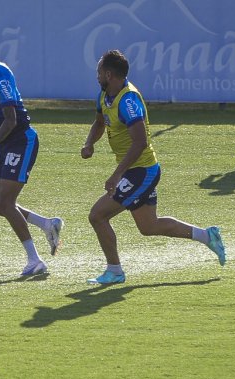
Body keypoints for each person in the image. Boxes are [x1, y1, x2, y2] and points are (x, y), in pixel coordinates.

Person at [80, 49, 226, 285]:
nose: (96, 76)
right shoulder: (104, 95)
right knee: (148, 226)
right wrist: (89, 143)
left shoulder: (128, 101)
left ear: (108, 74)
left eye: (99, 72)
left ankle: (114, 271)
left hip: (142, 171)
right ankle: (207, 236)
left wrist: (117, 175)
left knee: (97, 215)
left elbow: (140, 143)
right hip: (135, 171)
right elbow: (99, 122)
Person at [0, 40, 64, 276]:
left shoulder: (1, 80)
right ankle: (47, 224)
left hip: (21, 141)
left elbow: (11, 120)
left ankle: (35, 261)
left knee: (6, 202)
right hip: (7, 143)